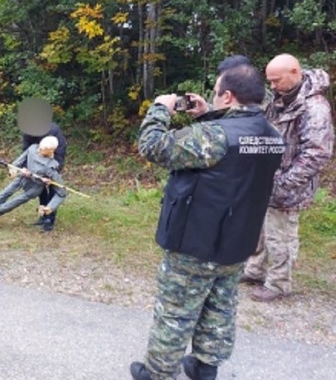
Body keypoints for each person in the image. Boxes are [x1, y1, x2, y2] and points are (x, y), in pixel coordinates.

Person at [129, 65, 284, 380]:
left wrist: (159, 109)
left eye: (216, 92)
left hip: (196, 241)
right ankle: (205, 367)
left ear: (228, 95)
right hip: (238, 240)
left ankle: (158, 373)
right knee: (220, 306)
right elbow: (227, 160)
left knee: (175, 312)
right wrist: (208, 114)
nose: (213, 96)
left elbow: (153, 146)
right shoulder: (272, 134)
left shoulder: (214, 136)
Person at [242, 54, 334, 302]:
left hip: (288, 186)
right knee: (260, 228)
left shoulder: (314, 107)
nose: (272, 86)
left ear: (295, 72)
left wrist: (284, 184)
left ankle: (279, 283)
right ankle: (255, 270)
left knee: (279, 234)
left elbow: (318, 153)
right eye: (269, 81)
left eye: (276, 80)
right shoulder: (280, 100)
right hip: (267, 179)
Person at [0, 136, 66, 230]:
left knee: (8, 205)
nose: (39, 150)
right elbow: (17, 163)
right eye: (40, 148)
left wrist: (51, 207)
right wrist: (16, 169)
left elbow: (62, 192)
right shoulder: (33, 149)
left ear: (50, 151)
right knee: (1, 197)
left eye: (42, 150)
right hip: (21, 178)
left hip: (33, 189)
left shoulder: (51, 166)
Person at [22, 123, 67, 232]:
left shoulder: (53, 132)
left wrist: (52, 172)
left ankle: (49, 219)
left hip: (55, 153)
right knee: (39, 182)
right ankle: (42, 215)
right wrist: (25, 168)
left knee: (52, 186)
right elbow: (26, 150)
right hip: (39, 151)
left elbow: (59, 156)